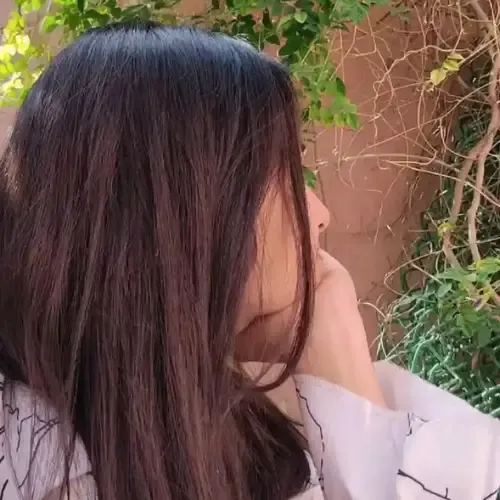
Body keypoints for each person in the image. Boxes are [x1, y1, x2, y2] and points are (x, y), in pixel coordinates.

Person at [0, 21, 498, 500]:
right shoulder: (33, 463)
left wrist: (332, 340)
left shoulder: (230, 434)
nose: (319, 215)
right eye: (286, 174)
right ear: (183, 215)